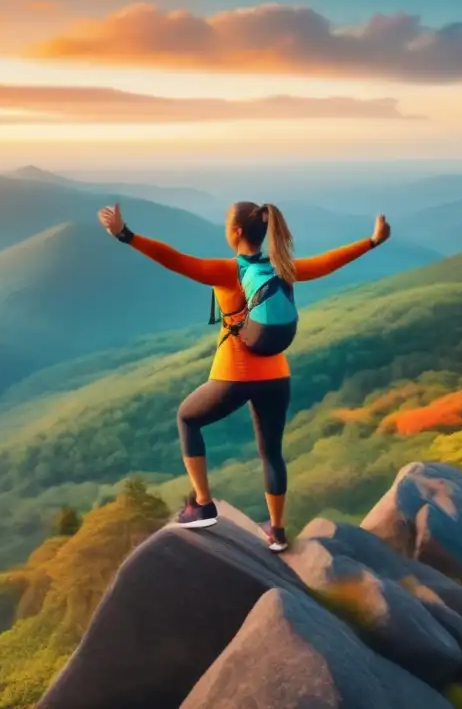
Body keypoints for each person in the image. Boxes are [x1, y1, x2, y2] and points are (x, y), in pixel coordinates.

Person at [97, 201, 391, 552]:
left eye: (226, 224)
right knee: (272, 453)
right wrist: (372, 241)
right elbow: (327, 262)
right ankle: (278, 533)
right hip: (276, 374)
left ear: (236, 232)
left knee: (187, 418)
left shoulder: (227, 271)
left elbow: (174, 260)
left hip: (234, 375)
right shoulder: (282, 268)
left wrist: (125, 235)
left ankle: (202, 505)